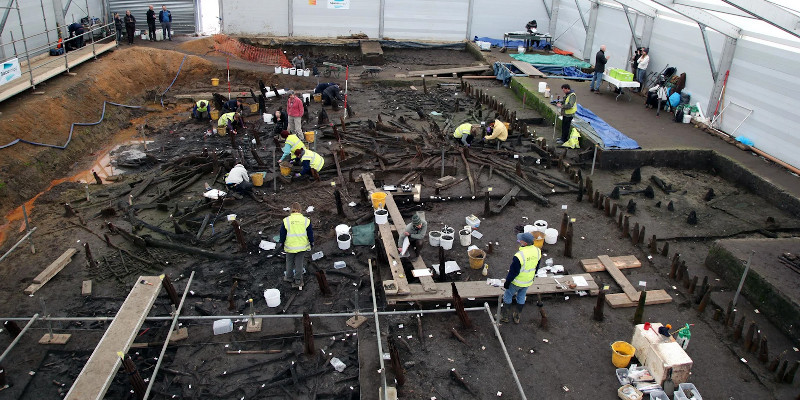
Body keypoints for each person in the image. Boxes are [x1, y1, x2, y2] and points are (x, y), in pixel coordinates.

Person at [501, 232, 542, 323]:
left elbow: (513, 272)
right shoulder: (538, 251)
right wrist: (532, 277)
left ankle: (504, 316)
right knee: (521, 296)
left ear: (525, 243)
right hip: (528, 281)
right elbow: (537, 266)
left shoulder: (519, 256)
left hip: (517, 282)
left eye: (520, 240)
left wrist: (507, 283)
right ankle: (517, 317)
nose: (519, 241)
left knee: (508, 295)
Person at [280, 202, 314, 289]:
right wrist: (311, 242)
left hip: (290, 246)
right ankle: (298, 280)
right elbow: (310, 233)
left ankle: (289, 277)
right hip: (302, 246)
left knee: (289, 261)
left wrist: (282, 242)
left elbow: (282, 234)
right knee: (299, 263)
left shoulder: (286, 220)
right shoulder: (306, 220)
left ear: (291, 210)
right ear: (300, 210)